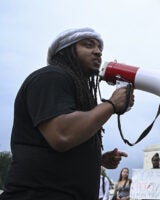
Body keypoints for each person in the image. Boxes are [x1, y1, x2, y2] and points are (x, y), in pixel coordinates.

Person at [0, 27, 133, 200]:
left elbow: (58, 151)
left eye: (100, 48)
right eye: (88, 45)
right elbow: (62, 134)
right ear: (66, 51)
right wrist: (111, 104)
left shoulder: (75, 88)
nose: (98, 52)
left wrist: (98, 160)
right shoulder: (51, 77)